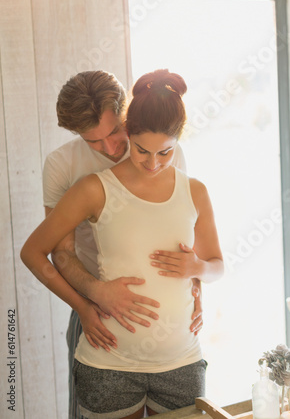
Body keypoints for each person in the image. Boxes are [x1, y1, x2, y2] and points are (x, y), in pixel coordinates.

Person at [21, 69, 224, 418]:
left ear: (125, 116)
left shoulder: (165, 155)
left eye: (116, 132)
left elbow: (184, 238)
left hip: (178, 354)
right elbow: (59, 251)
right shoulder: (69, 171)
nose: (112, 148)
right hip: (94, 308)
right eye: (94, 141)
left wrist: (196, 288)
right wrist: (91, 299)